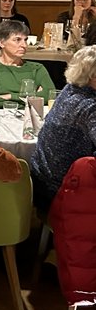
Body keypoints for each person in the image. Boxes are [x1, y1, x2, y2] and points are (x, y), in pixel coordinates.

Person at [30, 46, 96, 211]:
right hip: (63, 192)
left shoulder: (69, 91)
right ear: (93, 77)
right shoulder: (89, 106)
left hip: (40, 181)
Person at [0, 21, 55, 108]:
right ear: (1, 43)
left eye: (25, 40)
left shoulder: (36, 68)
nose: (24, 45)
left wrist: (10, 96)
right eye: (17, 40)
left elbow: (50, 96)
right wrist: (30, 100)